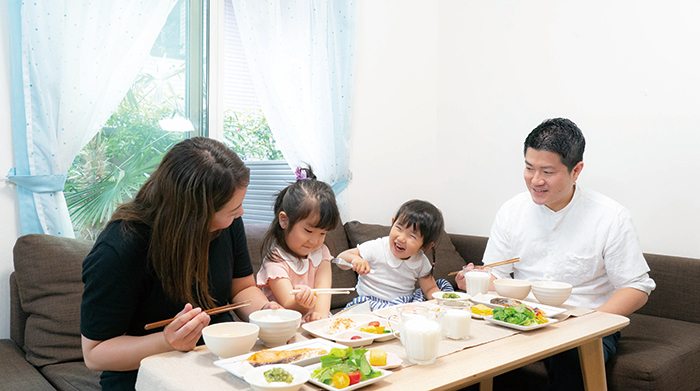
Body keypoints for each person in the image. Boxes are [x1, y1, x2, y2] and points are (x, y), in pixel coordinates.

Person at [456, 118, 655, 390]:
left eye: (547, 172)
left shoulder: (610, 217)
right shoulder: (512, 211)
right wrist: (474, 279)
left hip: (584, 319)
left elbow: (636, 287)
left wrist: (588, 323)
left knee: (571, 358)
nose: (535, 180)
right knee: (464, 345)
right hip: (521, 315)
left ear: (577, 170)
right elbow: (496, 274)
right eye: (529, 168)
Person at [80, 137, 280, 391]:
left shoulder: (228, 224)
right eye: (232, 209)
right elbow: (95, 353)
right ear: (194, 214)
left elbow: (241, 289)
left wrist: (265, 312)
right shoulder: (119, 248)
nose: (240, 213)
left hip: (219, 360)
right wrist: (167, 341)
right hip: (146, 374)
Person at [256, 166, 341, 323]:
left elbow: (324, 291)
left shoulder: (321, 252)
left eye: (322, 234)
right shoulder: (275, 260)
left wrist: (320, 316)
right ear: (284, 220)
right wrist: (303, 303)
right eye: (308, 231)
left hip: (317, 323)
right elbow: (288, 305)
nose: (315, 241)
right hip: (287, 324)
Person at [336, 199, 454, 311]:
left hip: (401, 305)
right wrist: (354, 259)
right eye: (399, 228)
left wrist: (441, 301)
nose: (401, 238)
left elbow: (429, 288)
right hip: (368, 303)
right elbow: (341, 258)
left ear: (426, 246)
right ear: (393, 223)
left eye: (412, 236)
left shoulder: (420, 261)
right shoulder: (377, 247)